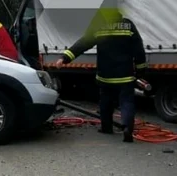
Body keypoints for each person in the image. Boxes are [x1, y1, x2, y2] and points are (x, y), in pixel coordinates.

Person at [54, 8, 147, 143]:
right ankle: (127, 128)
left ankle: (106, 127)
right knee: (126, 102)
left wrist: (65, 57)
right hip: (125, 76)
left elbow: (83, 43)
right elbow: (139, 49)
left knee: (106, 102)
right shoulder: (128, 25)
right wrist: (140, 71)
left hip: (106, 75)